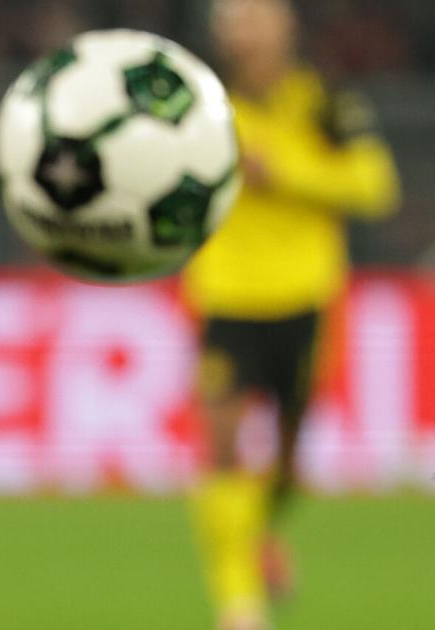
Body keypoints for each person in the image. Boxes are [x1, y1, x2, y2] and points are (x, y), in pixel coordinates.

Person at [183, 1, 399, 629]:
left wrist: (282, 173)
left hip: (306, 298)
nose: (241, 33)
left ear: (285, 26)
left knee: (289, 467)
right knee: (221, 446)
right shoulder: (203, 111)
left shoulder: (326, 105)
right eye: (230, 22)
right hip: (226, 296)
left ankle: (259, 532)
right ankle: (239, 603)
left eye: (253, 18)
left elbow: (375, 185)